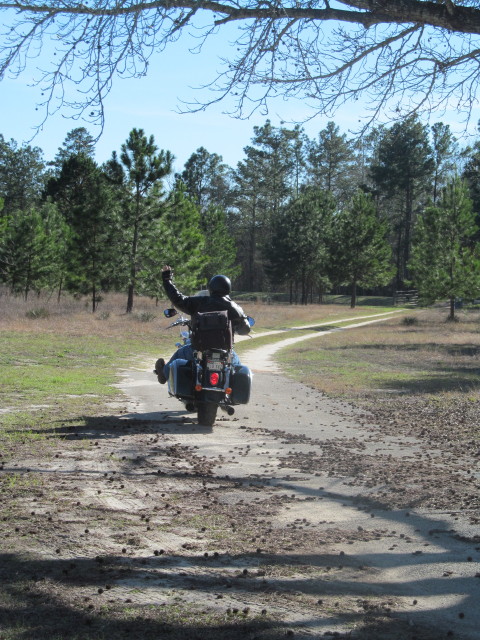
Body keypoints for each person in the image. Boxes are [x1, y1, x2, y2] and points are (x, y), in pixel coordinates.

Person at [154, 265, 251, 384]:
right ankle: (232, 387)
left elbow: (177, 298)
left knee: (179, 353)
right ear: (228, 288)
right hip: (224, 352)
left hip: (198, 350)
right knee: (236, 366)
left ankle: (163, 374)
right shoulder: (234, 307)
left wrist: (167, 279)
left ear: (211, 288)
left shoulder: (199, 302)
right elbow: (246, 329)